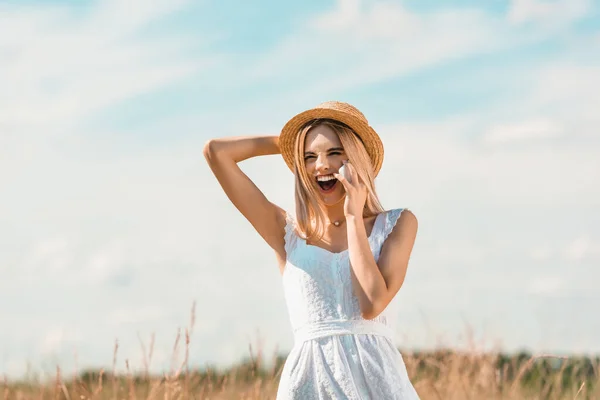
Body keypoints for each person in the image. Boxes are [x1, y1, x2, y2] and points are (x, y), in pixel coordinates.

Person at [203, 101, 420, 399]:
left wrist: (354, 216)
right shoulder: (286, 234)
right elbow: (216, 152)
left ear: (356, 158)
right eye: (309, 157)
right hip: (308, 387)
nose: (321, 165)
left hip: (377, 387)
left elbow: (371, 303)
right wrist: (292, 142)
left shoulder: (396, 224)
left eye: (335, 152)